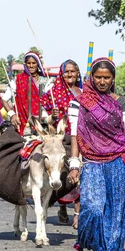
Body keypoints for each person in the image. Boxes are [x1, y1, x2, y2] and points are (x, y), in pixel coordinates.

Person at [67, 57, 125, 251]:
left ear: (113, 79)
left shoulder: (123, 103)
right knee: (93, 209)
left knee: (116, 216)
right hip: (92, 162)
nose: (102, 82)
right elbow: (75, 135)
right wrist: (74, 163)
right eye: (98, 77)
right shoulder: (80, 103)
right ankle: (95, 249)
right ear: (91, 78)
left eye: (107, 78)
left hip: (118, 162)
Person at [40, 60, 83, 228]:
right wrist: (52, 116)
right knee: (62, 174)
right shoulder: (53, 92)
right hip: (61, 139)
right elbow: (42, 114)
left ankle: (78, 214)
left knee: (80, 175)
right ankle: (63, 206)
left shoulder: (84, 92)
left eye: (73, 71)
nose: (70, 74)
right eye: (67, 72)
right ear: (62, 74)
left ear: (78, 73)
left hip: (81, 138)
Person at [11, 52, 53, 136]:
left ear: (38, 64)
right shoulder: (18, 79)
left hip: (42, 122)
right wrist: (12, 115)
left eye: (33, 63)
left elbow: (50, 102)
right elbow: (4, 99)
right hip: (23, 122)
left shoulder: (45, 81)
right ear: (25, 64)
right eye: (28, 63)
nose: (31, 65)